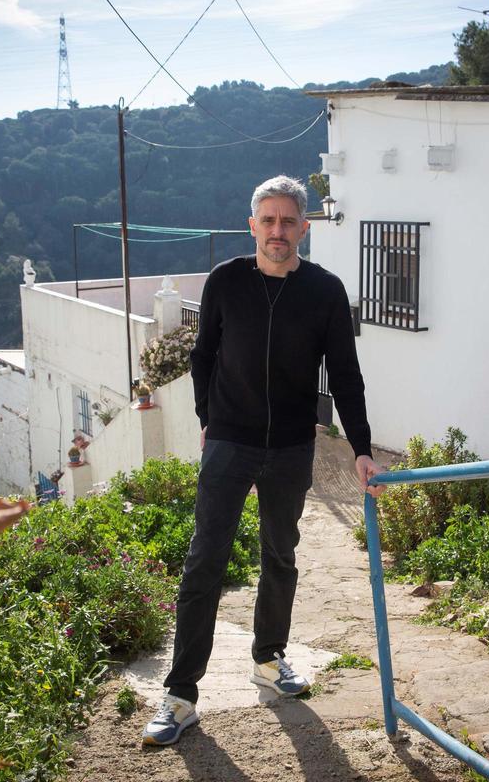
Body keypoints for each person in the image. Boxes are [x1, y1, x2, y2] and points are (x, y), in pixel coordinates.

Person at [142, 175, 386, 746]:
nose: (278, 231)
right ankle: (180, 697)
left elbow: (346, 377)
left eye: (288, 221)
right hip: (230, 442)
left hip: (291, 448)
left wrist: (363, 449)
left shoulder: (324, 291)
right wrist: (209, 420)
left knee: (281, 555)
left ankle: (269, 659)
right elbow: (203, 357)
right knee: (206, 561)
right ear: (253, 225)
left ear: (304, 227)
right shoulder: (225, 282)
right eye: (268, 220)